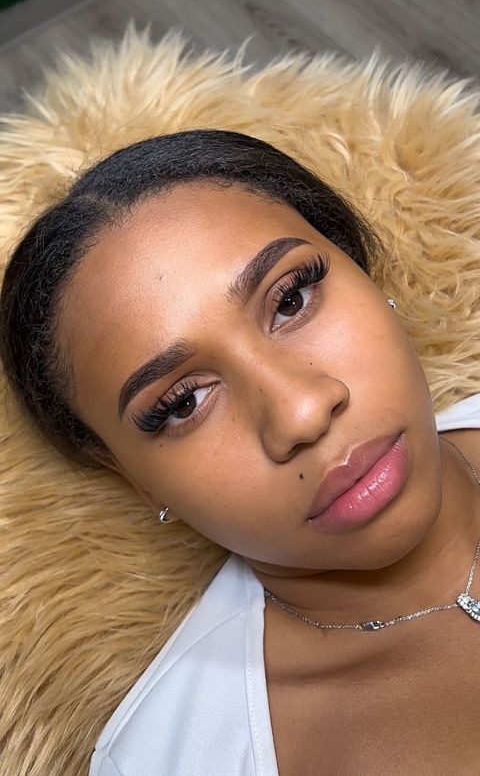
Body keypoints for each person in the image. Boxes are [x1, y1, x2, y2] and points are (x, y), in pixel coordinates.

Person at [0, 129, 479, 776]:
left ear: (361, 268)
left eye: (291, 298)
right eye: (183, 403)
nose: (301, 412)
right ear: (135, 479)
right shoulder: (170, 758)